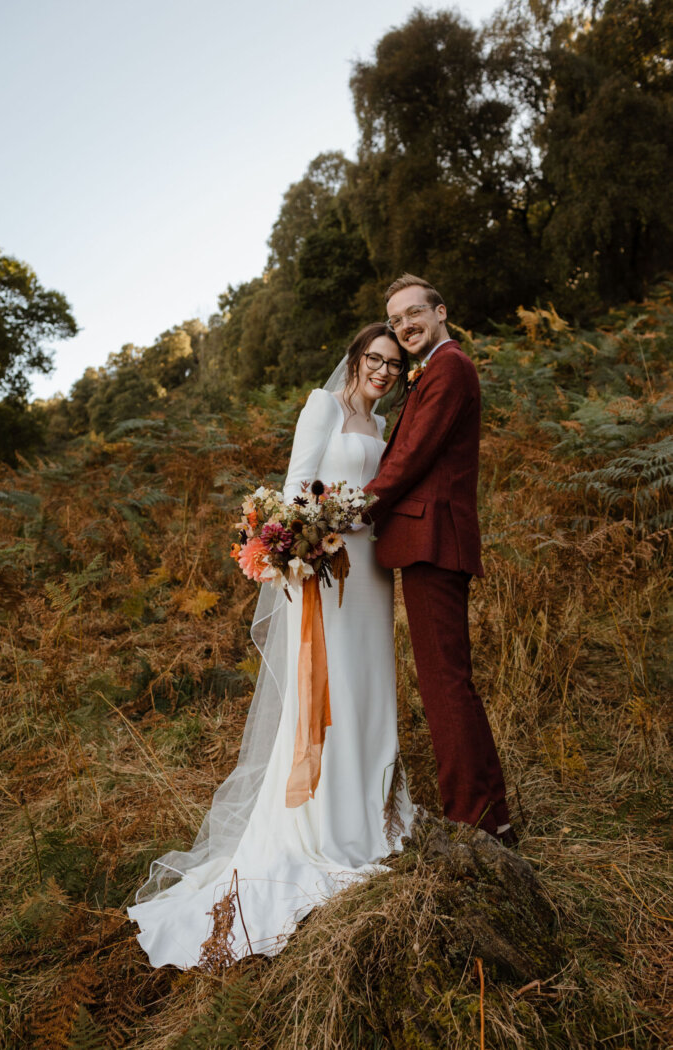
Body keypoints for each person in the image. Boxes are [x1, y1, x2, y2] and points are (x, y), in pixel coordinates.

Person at [127, 323, 415, 968]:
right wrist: (304, 548)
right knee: (330, 686)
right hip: (326, 572)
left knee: (370, 682)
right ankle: (325, 821)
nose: (383, 371)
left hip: (371, 569)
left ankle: (373, 806)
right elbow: (295, 487)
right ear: (355, 358)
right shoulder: (324, 406)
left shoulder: (384, 424)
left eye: (393, 364)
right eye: (375, 358)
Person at [364, 274, 516, 847]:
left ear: (441, 312)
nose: (404, 325)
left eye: (413, 313)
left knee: (444, 686)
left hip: (435, 541)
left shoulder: (449, 367)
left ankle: (469, 819)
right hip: (431, 540)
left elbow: (411, 455)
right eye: (396, 319)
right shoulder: (433, 369)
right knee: (452, 683)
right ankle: (491, 817)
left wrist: (355, 510)